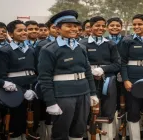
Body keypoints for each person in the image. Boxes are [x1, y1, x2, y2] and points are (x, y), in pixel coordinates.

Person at [38, 10, 98, 140]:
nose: (73, 29)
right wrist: (50, 102)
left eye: (75, 26)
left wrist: (92, 93)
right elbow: (44, 78)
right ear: (57, 28)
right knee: (61, 131)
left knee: (79, 130)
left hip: (83, 93)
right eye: (68, 26)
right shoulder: (49, 49)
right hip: (63, 95)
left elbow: (87, 71)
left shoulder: (80, 47)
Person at [79, 16, 121, 140]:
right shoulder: (82, 44)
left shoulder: (111, 44)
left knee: (108, 109)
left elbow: (117, 64)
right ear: (90, 27)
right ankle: (90, 136)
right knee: (88, 109)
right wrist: (91, 71)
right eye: (97, 25)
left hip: (107, 80)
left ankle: (106, 137)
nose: (101, 28)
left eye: (103, 26)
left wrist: (103, 69)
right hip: (88, 80)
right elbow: (80, 63)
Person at [0, 20, 38, 140]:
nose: (24, 33)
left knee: (32, 123)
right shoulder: (4, 51)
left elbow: (36, 71)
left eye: (25, 30)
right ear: (10, 33)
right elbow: (2, 76)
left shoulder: (31, 49)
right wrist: (22, 91)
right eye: (19, 30)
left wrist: (35, 88)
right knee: (16, 123)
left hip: (32, 89)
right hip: (15, 91)